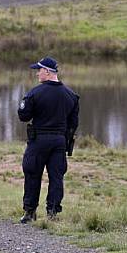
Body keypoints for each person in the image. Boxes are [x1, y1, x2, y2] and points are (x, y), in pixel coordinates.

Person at [17, 56, 80, 223]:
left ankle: (30, 212)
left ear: (47, 71)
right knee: (56, 177)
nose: (37, 74)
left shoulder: (35, 93)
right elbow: (74, 124)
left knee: (32, 174)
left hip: (39, 140)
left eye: (39, 70)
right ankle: (52, 212)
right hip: (60, 141)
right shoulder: (71, 95)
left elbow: (23, 116)